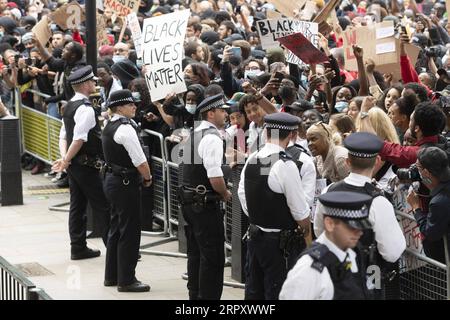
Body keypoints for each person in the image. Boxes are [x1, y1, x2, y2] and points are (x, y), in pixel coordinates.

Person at [314, 132, 406, 300]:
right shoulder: (378, 202)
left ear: (348, 162)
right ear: (377, 161)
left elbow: (319, 231)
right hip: (371, 276)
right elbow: (392, 252)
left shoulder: (329, 191)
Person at [238, 112, 311, 300]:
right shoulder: (285, 164)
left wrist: (258, 215)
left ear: (266, 132)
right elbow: (300, 211)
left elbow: (242, 194)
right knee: (277, 293)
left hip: (255, 237)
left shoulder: (254, 157)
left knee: (254, 291)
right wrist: (304, 229)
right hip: (279, 244)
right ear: (292, 135)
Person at [52, 66, 110, 260]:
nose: (95, 83)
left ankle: (77, 247)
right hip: (86, 165)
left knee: (77, 205)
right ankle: (115, 248)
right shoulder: (85, 109)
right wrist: (66, 160)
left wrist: (65, 160)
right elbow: (78, 139)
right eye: (92, 81)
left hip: (75, 165)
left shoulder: (68, 105)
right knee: (102, 206)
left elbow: (64, 136)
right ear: (85, 84)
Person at [178, 93, 232, 300]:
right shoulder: (211, 137)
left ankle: (195, 296)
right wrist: (225, 193)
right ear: (211, 113)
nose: (225, 114)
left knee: (196, 254)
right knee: (212, 258)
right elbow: (214, 176)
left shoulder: (195, 133)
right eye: (222, 110)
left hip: (190, 203)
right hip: (205, 205)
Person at [279, 191, 372, 300]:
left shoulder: (353, 252)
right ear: (330, 224)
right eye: (352, 227)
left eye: (361, 227)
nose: (359, 232)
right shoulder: (309, 270)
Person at [102, 89, 152, 292]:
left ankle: (112, 276)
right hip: (125, 183)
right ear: (120, 107)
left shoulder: (110, 124)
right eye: (130, 104)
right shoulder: (125, 129)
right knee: (129, 231)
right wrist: (148, 177)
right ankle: (126, 279)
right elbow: (140, 160)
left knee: (116, 228)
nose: (134, 107)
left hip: (112, 180)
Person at [407, 147, 450, 264]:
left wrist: (416, 208)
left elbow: (430, 233)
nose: (415, 170)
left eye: (418, 167)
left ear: (426, 172)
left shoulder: (439, 202)